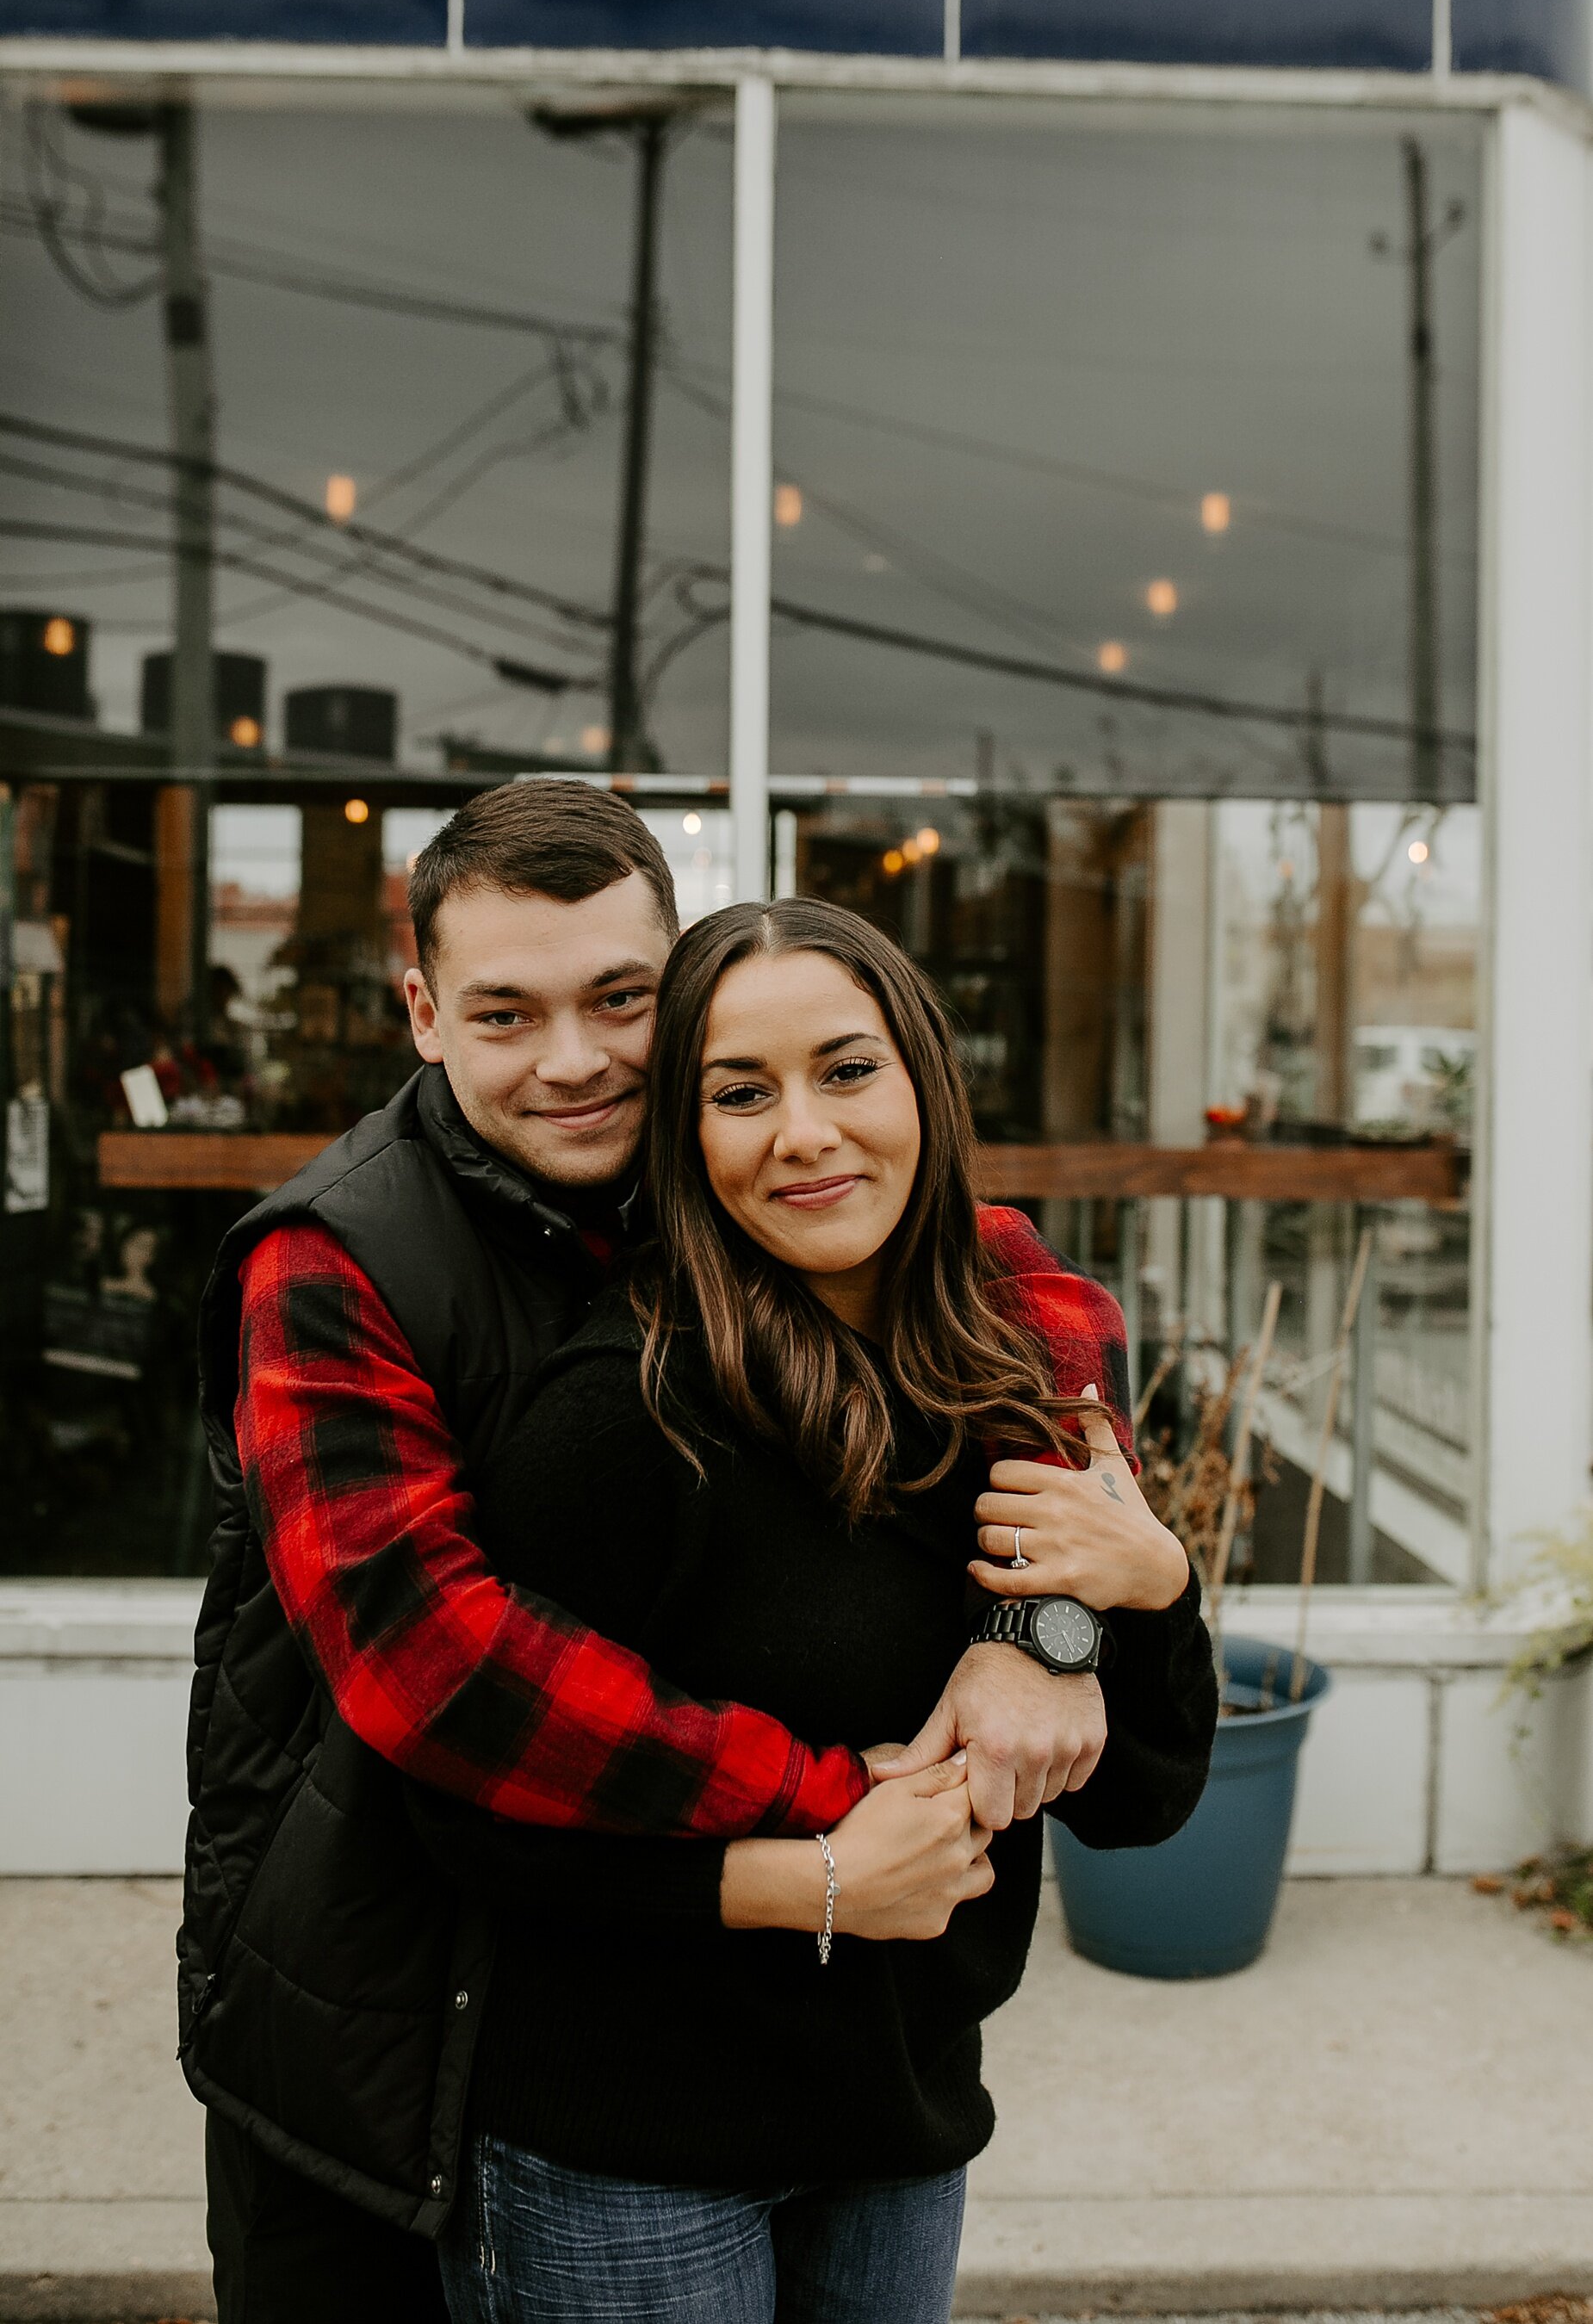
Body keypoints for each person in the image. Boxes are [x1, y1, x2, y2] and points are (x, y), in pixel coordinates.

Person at [181, 783, 1151, 2324]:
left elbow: (1024, 1300)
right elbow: (439, 1671)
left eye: (619, 999)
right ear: (425, 1014)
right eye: (506, 1013)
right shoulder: (335, 1259)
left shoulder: (718, 1158)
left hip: (693, 2000)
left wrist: (1036, 1620)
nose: (573, 1061)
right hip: (382, 1972)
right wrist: (847, 1824)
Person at [428, 896, 1218, 2324]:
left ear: (922, 1079)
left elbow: (1140, 1800)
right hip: (626, 2157)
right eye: (741, 1092)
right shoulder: (627, 1416)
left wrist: (1132, 1593)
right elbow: (456, 1823)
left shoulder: (1013, 1393)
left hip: (899, 2124)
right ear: (685, 1134)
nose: (804, 1133)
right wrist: (819, 1881)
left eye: (846, 1070)